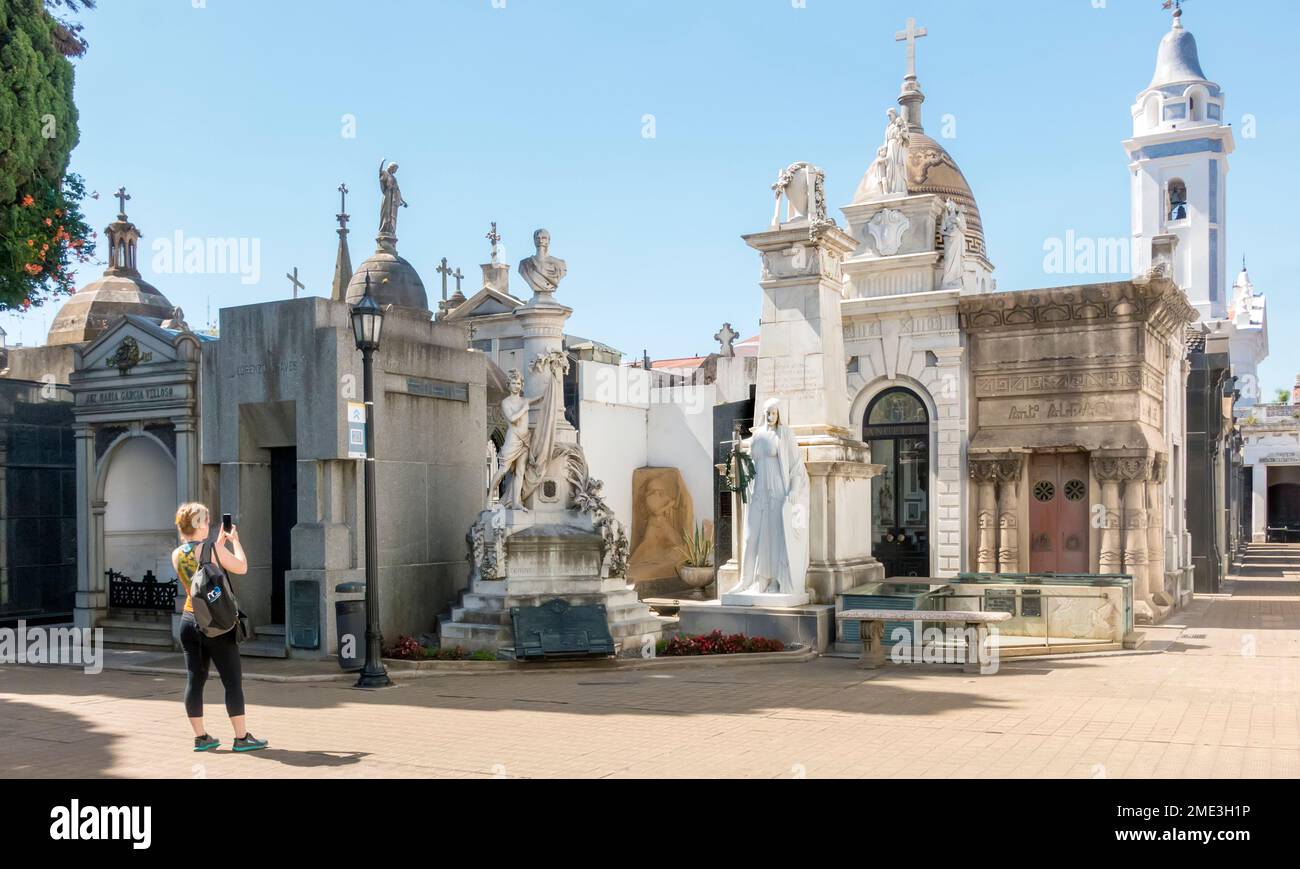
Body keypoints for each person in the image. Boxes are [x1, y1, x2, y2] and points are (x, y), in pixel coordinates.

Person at [171, 503, 267, 753]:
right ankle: (242, 738)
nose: (208, 524)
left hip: (189, 622)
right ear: (198, 524)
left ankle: (201, 738)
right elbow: (241, 567)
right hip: (216, 625)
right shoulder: (211, 548)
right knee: (232, 682)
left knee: (195, 680)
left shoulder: (177, 553)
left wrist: (217, 543)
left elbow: (201, 565)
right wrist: (234, 541)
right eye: (206, 521)